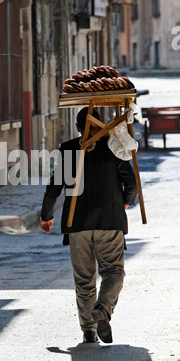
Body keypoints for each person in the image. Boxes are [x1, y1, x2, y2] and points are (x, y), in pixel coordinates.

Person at [40, 107, 137, 344]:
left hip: (78, 224)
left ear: (77, 127)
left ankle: (88, 331)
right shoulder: (114, 146)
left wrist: (46, 215)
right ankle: (103, 309)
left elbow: (54, 187)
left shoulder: (69, 148)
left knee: (84, 279)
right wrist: (126, 202)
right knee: (113, 272)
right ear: (101, 125)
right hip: (110, 222)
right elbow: (131, 183)